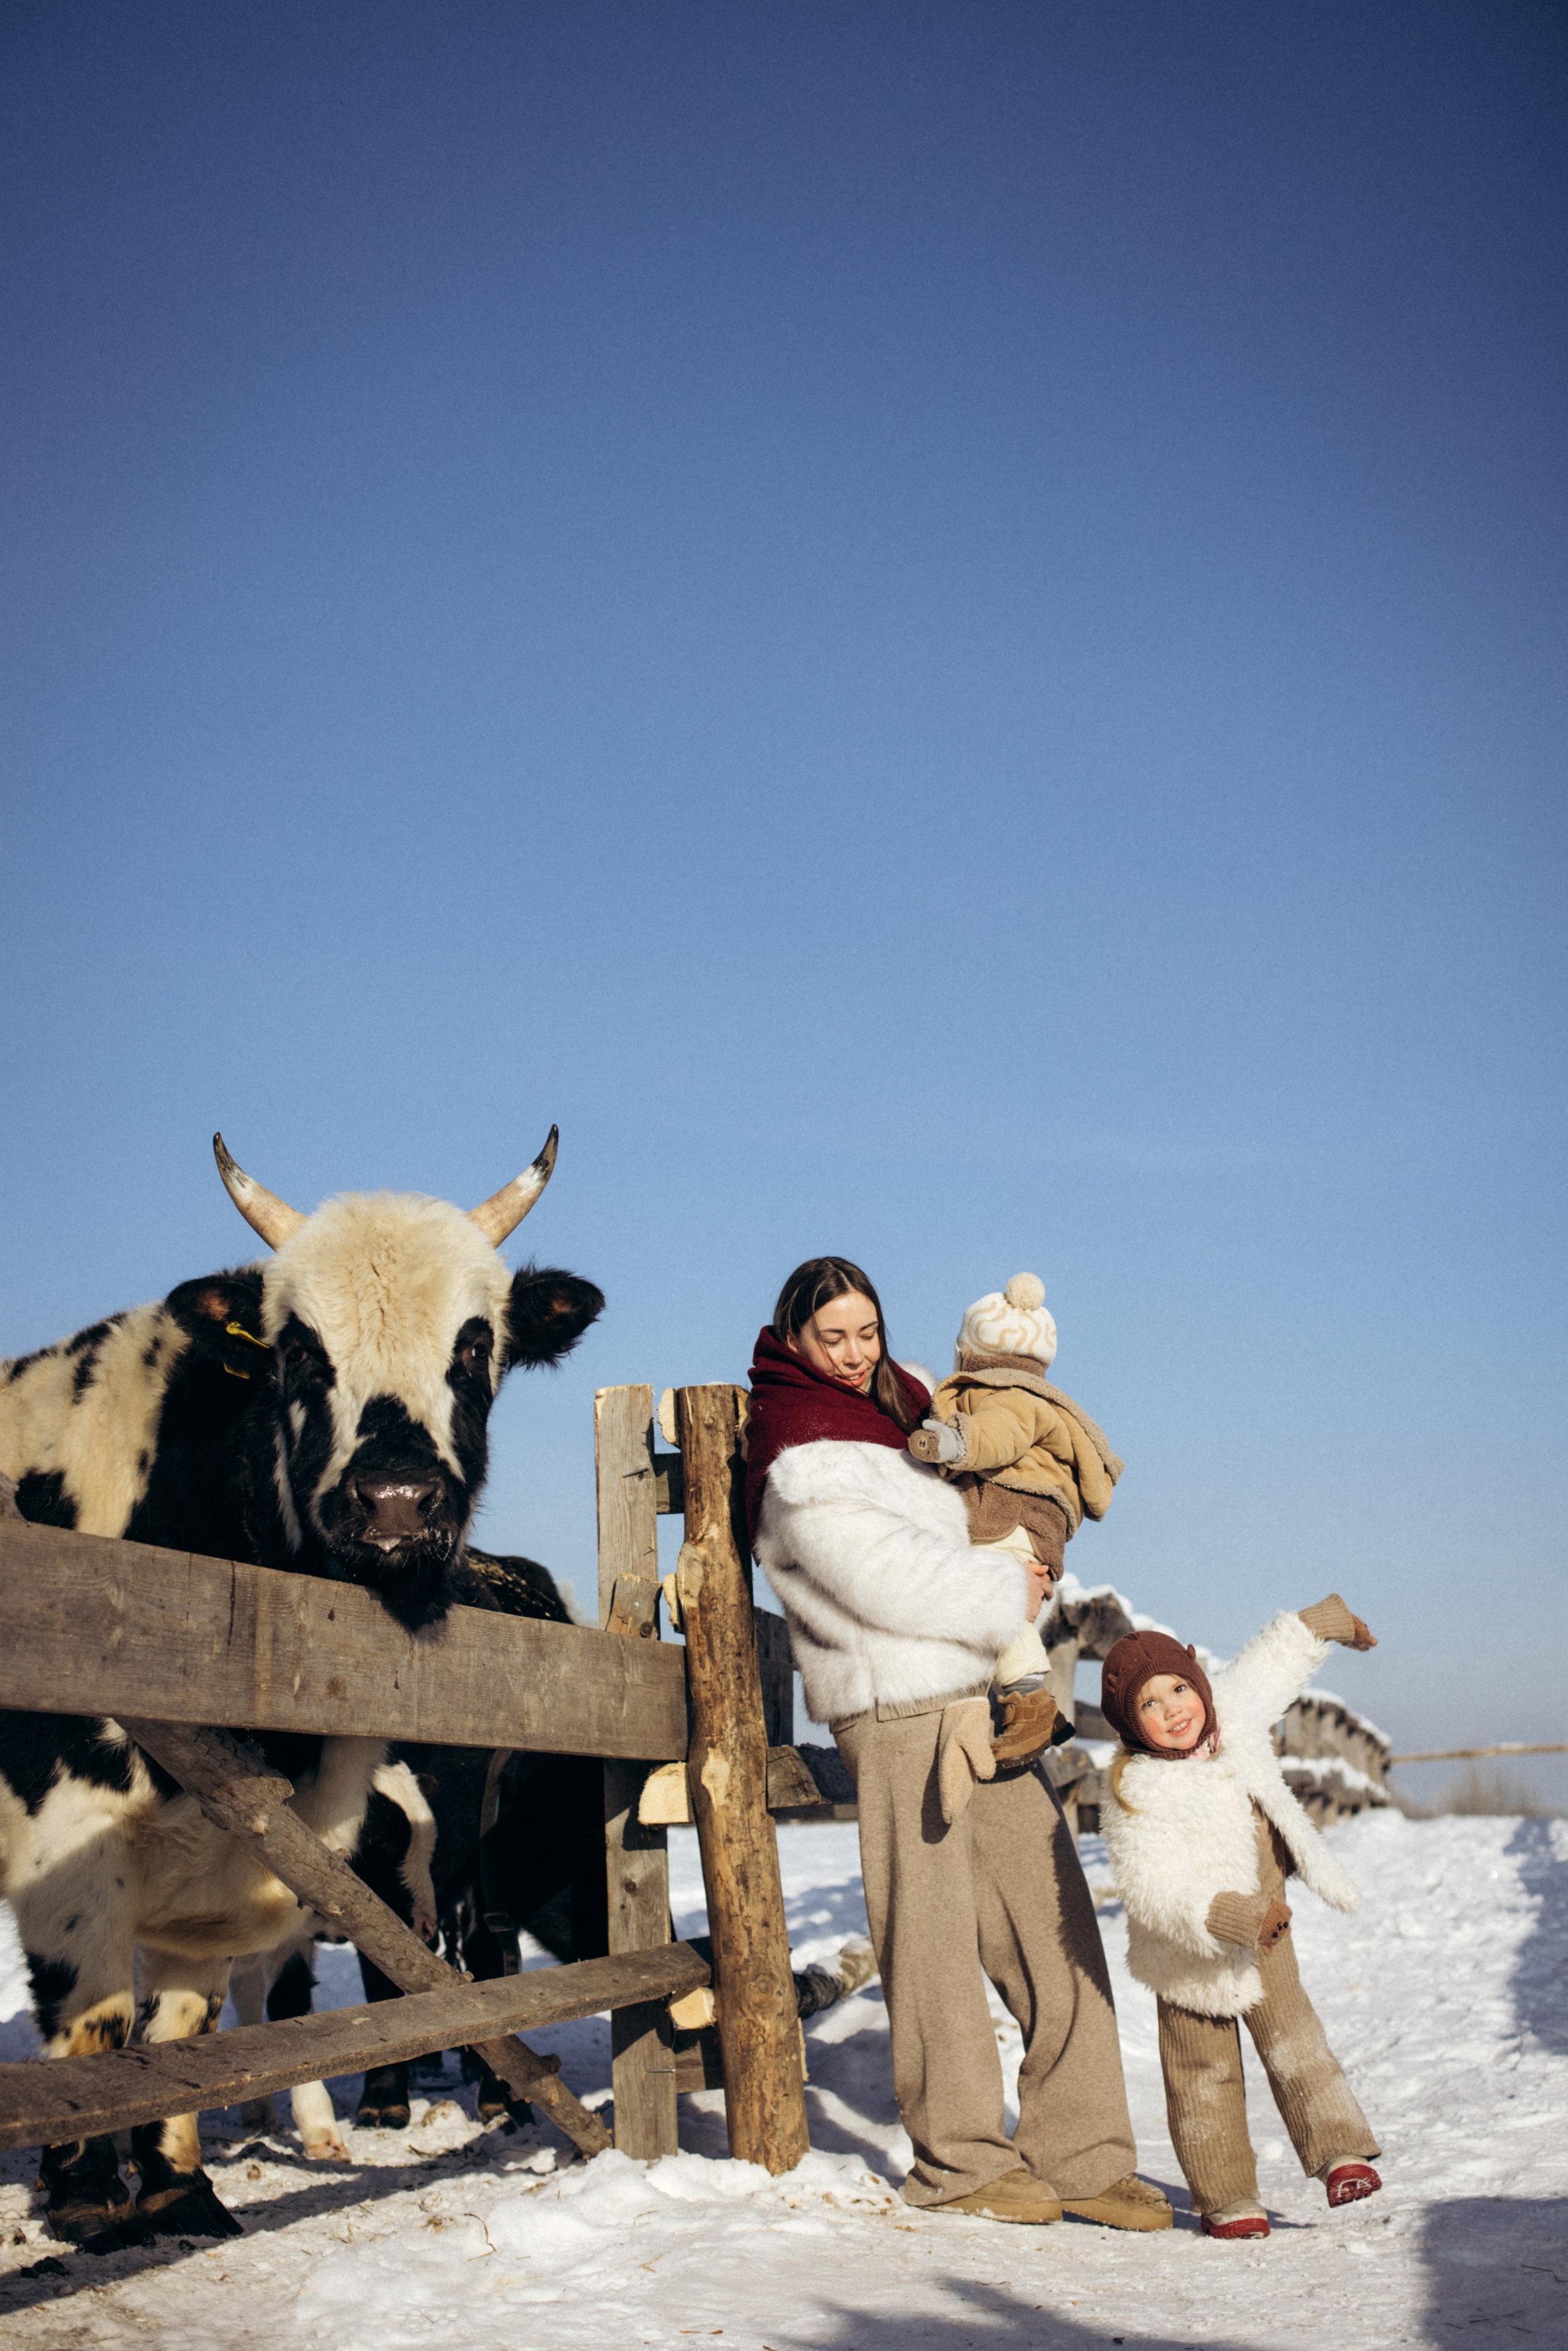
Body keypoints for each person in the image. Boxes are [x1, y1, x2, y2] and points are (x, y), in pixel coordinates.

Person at [747, 1255, 1170, 2232]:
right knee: (929, 1939)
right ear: (795, 1340)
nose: (853, 1354)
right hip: (893, 1701)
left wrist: (1021, 1573)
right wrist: (1002, 1590)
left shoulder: (911, 1410)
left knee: (1052, 1918)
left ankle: (1083, 2155)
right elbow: (873, 1574)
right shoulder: (796, 1447)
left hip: (981, 1688)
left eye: (867, 1332)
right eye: (831, 1338)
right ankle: (961, 2159)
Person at [1098, 1598, 1384, 2240]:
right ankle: (1227, 2198)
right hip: (1188, 1954)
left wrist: (1323, 1623)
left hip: (1266, 1934)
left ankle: (1341, 2153)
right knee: (1203, 2075)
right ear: (1130, 1724)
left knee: (1295, 2039)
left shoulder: (1232, 1717)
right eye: (1150, 1704)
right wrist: (1226, 1914)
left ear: (1198, 1684)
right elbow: (1153, 1887)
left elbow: (1268, 1667)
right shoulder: (1137, 1790)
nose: (1174, 1709)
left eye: (1179, 1689)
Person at [908, 1270, 1123, 1764]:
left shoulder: (1007, 1397)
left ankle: (1029, 1702)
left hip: (1011, 1512)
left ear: (970, 1350)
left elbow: (998, 1435)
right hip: (1032, 1518)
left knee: (998, 1596)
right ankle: (1036, 1707)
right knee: (997, 1595)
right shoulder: (1035, 1397)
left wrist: (953, 1443)